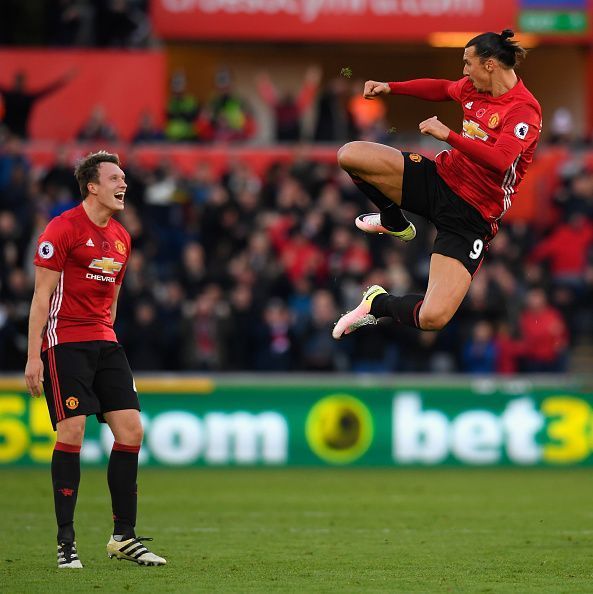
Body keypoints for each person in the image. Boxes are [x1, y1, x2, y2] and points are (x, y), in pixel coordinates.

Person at [332, 30, 542, 341]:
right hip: (440, 180)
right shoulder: (473, 88)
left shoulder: (523, 110)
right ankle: (392, 219)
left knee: (433, 317)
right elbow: (442, 88)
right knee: (349, 155)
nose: (464, 71)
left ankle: (378, 304)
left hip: (472, 216)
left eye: (467, 63)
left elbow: (500, 161)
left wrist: (448, 136)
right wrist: (391, 87)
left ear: (489, 65)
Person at [24, 151, 166, 568]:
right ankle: (66, 542)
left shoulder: (122, 237)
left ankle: (124, 537)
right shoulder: (63, 228)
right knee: (72, 433)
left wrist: (109, 339)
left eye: (124, 178)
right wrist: (34, 357)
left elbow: (113, 300)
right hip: (64, 341)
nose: (124, 184)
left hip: (105, 341)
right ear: (92, 186)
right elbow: (40, 297)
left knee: (131, 430)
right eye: (115, 178)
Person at [0, 69, 75, 138]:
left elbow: (48, 90)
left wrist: (64, 80)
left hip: (16, 133)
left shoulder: (18, 97)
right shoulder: (23, 97)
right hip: (12, 132)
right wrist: (64, 79)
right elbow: (48, 90)